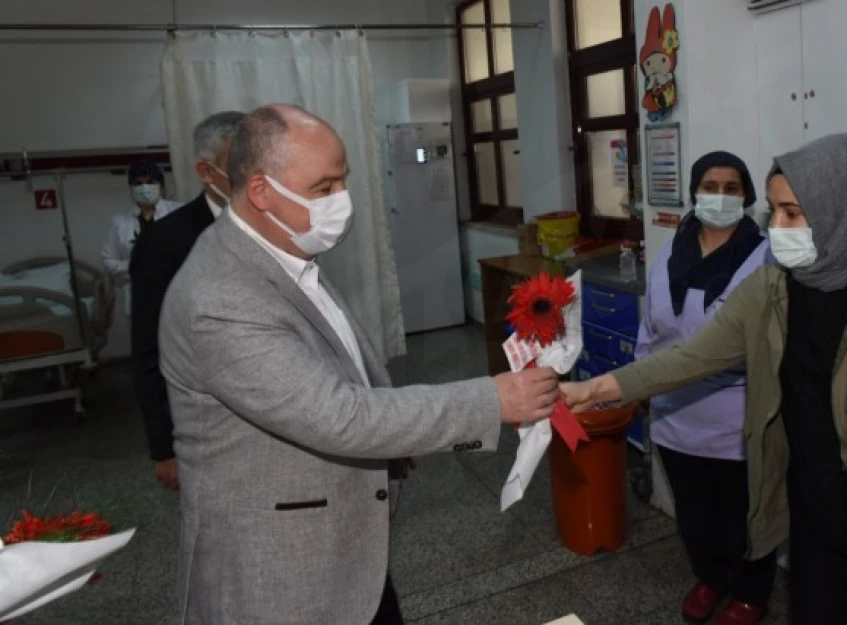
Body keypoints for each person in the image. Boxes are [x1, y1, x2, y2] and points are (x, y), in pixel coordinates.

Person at [159, 104, 558, 625]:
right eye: (323, 189)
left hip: (343, 557)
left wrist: (396, 443)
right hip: (279, 576)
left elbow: (344, 368)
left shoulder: (283, 253)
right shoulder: (220, 297)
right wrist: (493, 399)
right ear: (260, 191)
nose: (340, 203)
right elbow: (340, 417)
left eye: (343, 182)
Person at [562, 133, 847, 625]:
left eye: (792, 214)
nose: (776, 228)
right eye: (773, 212)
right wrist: (595, 389)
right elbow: (691, 357)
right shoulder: (774, 287)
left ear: (843, 212)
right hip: (815, 517)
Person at [638, 151, 774, 625]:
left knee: (742, 516)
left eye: (732, 187)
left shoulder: (765, 256)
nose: (719, 196)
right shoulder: (671, 252)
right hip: (674, 415)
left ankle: (750, 592)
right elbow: (650, 328)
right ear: (693, 192)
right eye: (710, 186)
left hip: (735, 419)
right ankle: (711, 576)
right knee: (693, 515)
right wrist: (639, 382)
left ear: (748, 196)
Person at [130, 111, 245, 491]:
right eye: (239, 163)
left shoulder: (279, 227)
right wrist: (163, 447)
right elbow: (149, 348)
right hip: (206, 420)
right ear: (207, 171)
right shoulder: (166, 242)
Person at [100, 161, 179, 315]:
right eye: (138, 183)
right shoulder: (120, 222)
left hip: (176, 293)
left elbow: (195, 251)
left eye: (150, 182)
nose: (144, 187)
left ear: (160, 186)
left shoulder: (178, 212)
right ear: (131, 188)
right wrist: (136, 267)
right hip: (138, 295)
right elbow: (108, 260)